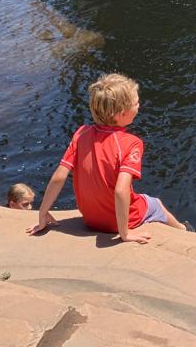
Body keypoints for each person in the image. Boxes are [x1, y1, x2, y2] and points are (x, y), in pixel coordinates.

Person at [27, 73, 186, 243]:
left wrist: (43, 213)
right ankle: (184, 231)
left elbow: (59, 176)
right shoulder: (131, 143)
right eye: (136, 103)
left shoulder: (81, 133)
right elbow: (120, 190)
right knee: (155, 203)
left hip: (89, 219)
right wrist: (124, 233)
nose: (139, 106)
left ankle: (183, 230)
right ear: (121, 113)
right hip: (117, 223)